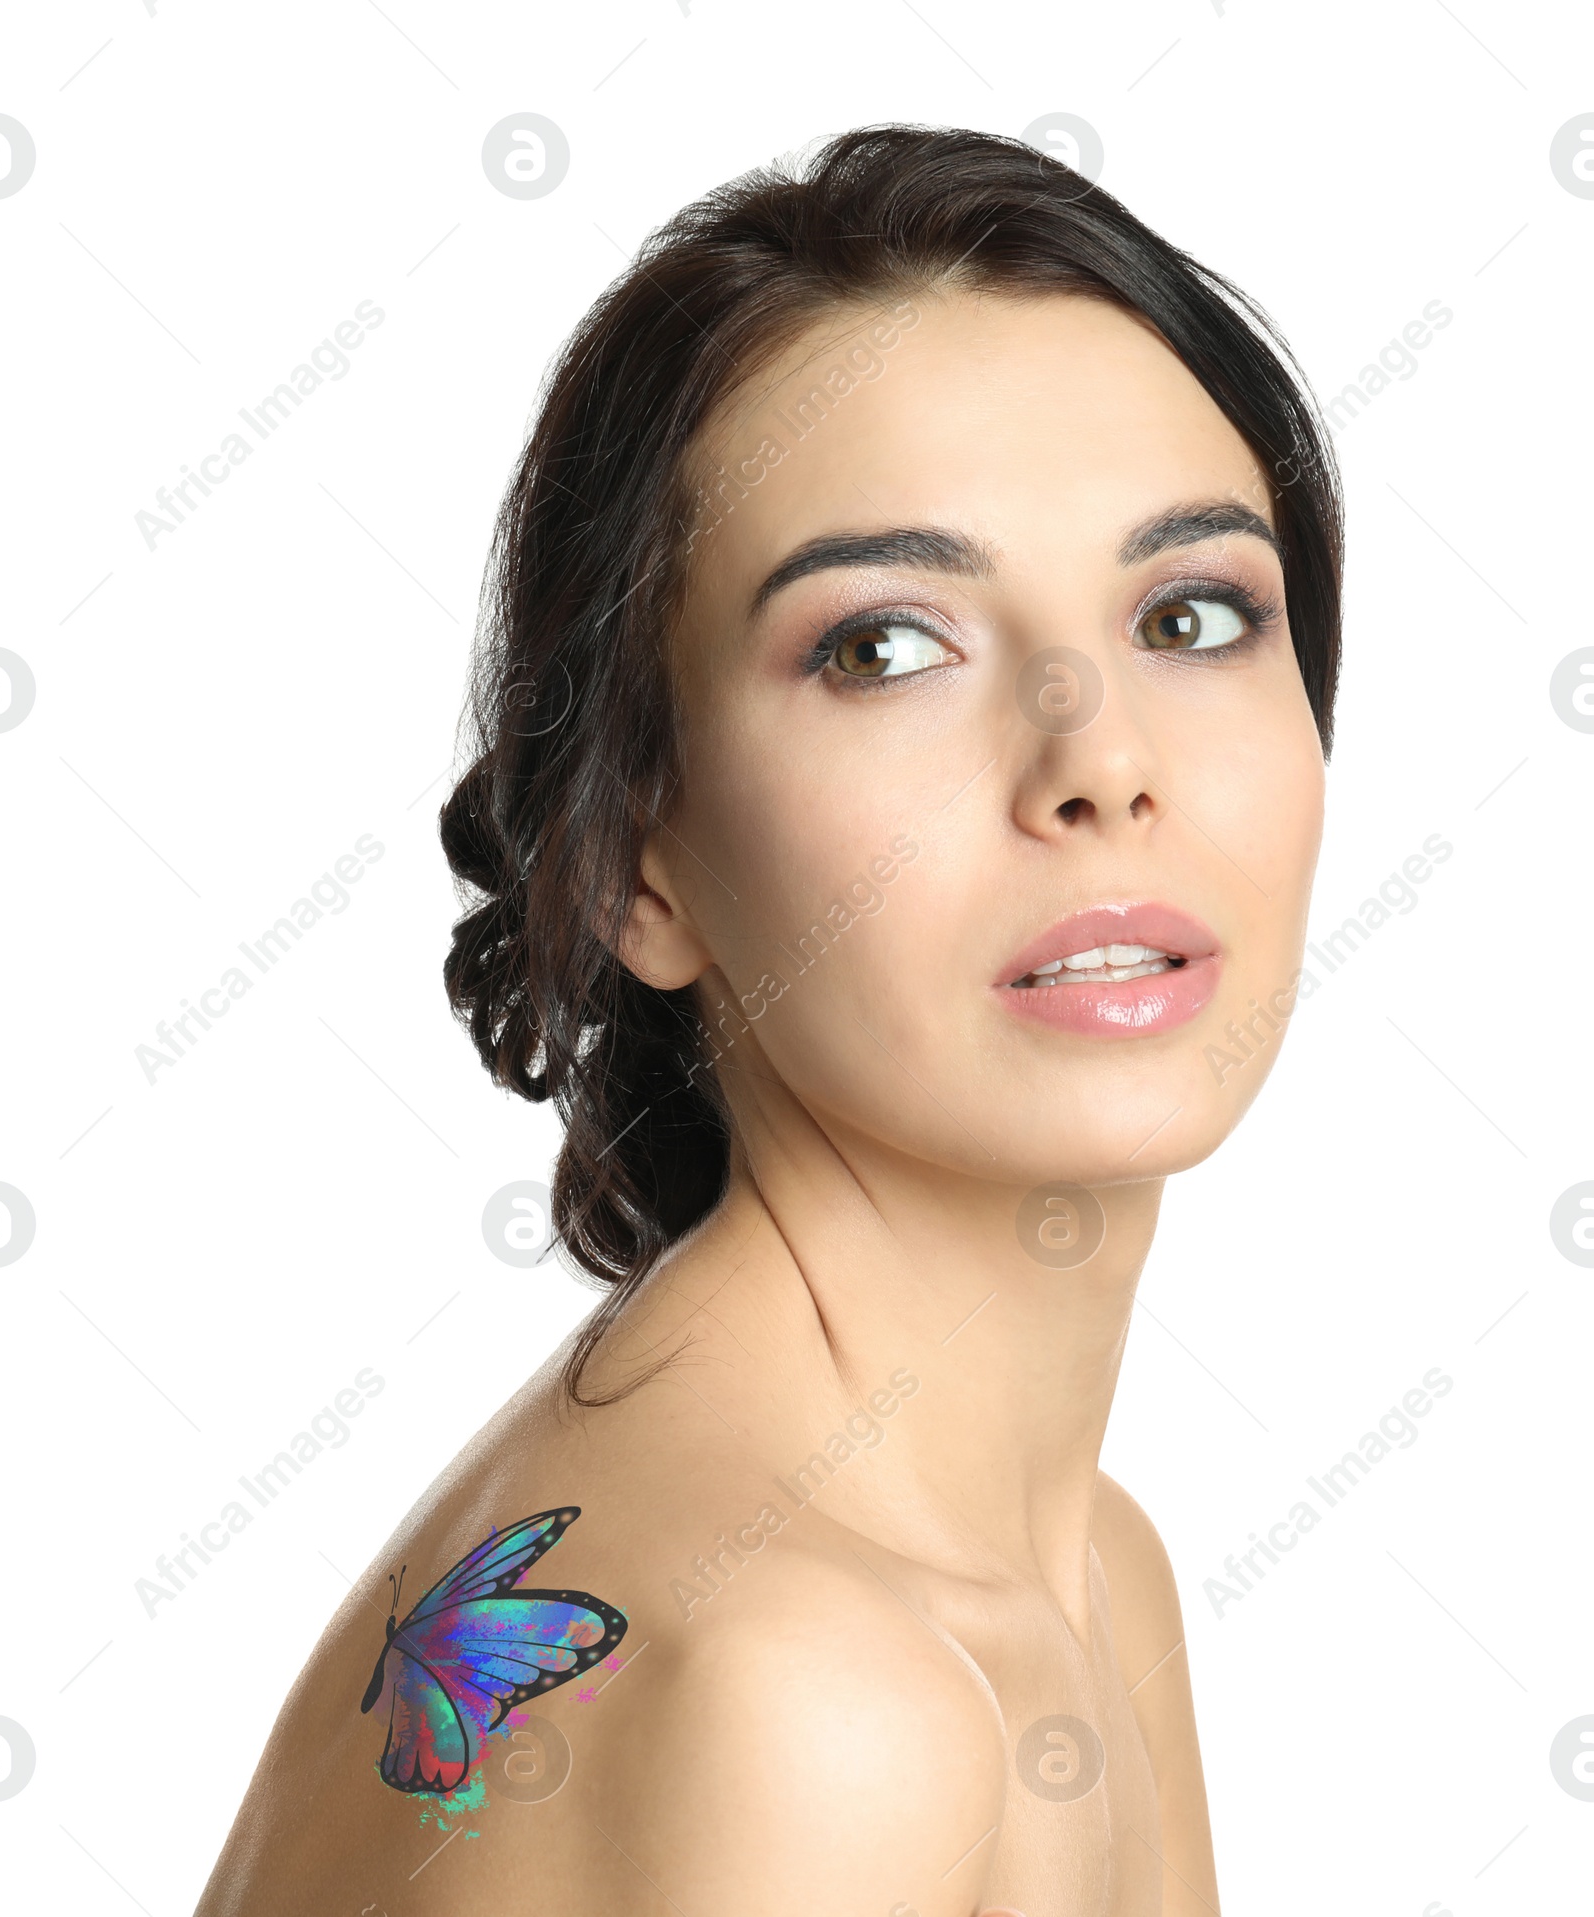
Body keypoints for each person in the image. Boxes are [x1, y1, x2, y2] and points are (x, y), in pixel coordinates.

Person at [196, 124, 1341, 1916]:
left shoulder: (1093, 1581)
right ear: (634, 856)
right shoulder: (812, 1699)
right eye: (885, 645)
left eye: (1192, 612)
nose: (1101, 759)